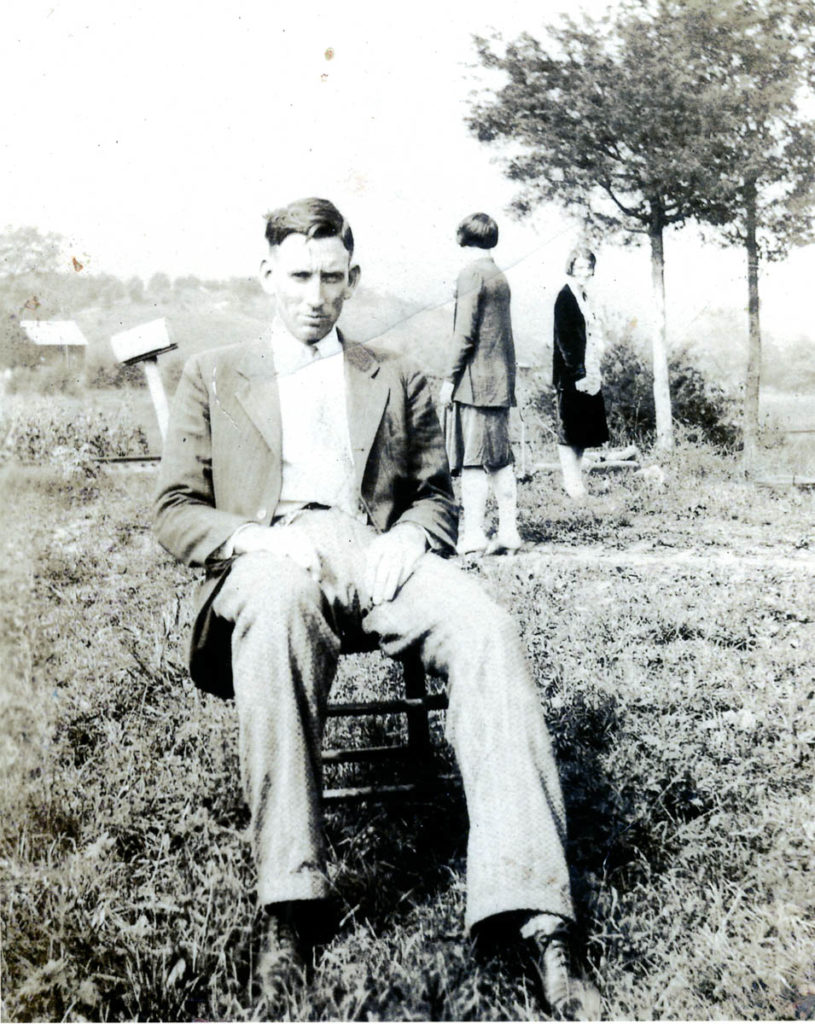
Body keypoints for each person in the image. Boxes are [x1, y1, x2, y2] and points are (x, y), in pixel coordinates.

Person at [154, 198, 596, 1019]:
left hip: (376, 550)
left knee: (486, 629)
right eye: (298, 277)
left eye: (331, 277)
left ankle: (537, 912)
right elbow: (176, 509)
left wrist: (414, 538)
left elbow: (434, 498)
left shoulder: (393, 372)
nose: (315, 296)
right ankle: (290, 904)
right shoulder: (212, 374)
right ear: (266, 275)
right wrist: (255, 541)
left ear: (352, 277)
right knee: (282, 605)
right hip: (273, 554)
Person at [439, 213, 521, 555]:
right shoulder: (499, 275)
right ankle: (508, 531)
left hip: (476, 382)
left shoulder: (470, 273)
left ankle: (473, 534)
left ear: (464, 239)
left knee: (473, 461)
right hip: (501, 381)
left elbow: (464, 334)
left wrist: (448, 378)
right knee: (500, 458)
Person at [553, 247, 609, 500]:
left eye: (588, 267)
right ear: (571, 268)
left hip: (588, 371)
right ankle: (571, 483)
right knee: (569, 432)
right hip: (572, 375)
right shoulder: (565, 297)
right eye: (580, 267)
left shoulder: (584, 296)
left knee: (582, 433)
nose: (584, 272)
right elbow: (565, 340)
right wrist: (577, 374)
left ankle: (577, 483)